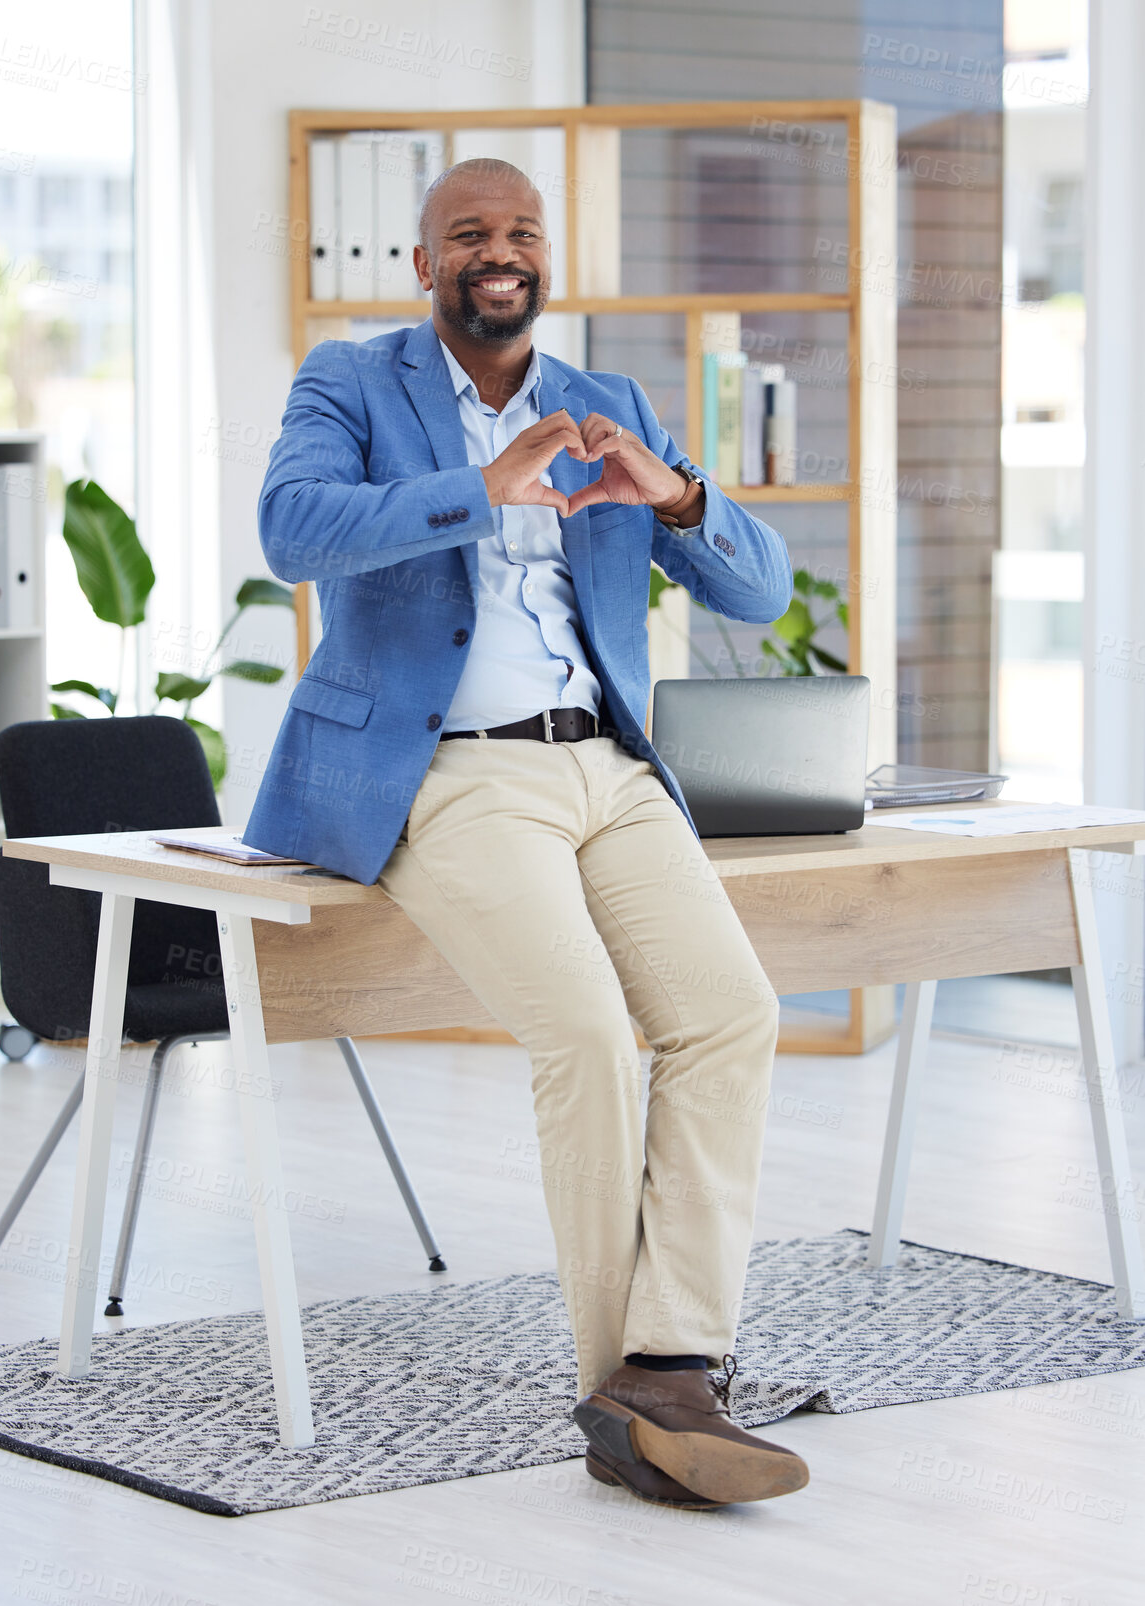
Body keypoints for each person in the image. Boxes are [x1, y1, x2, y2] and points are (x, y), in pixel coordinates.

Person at [245, 158, 806, 1511]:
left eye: (519, 232)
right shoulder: (350, 381)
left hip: (604, 765)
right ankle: (625, 1388)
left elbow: (758, 585)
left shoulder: (603, 402)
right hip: (447, 771)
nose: (497, 252)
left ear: (543, 257)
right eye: (468, 235)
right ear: (424, 260)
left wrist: (669, 493)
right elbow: (289, 529)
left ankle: (670, 1360)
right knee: (585, 1035)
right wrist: (477, 485)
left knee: (729, 1013)